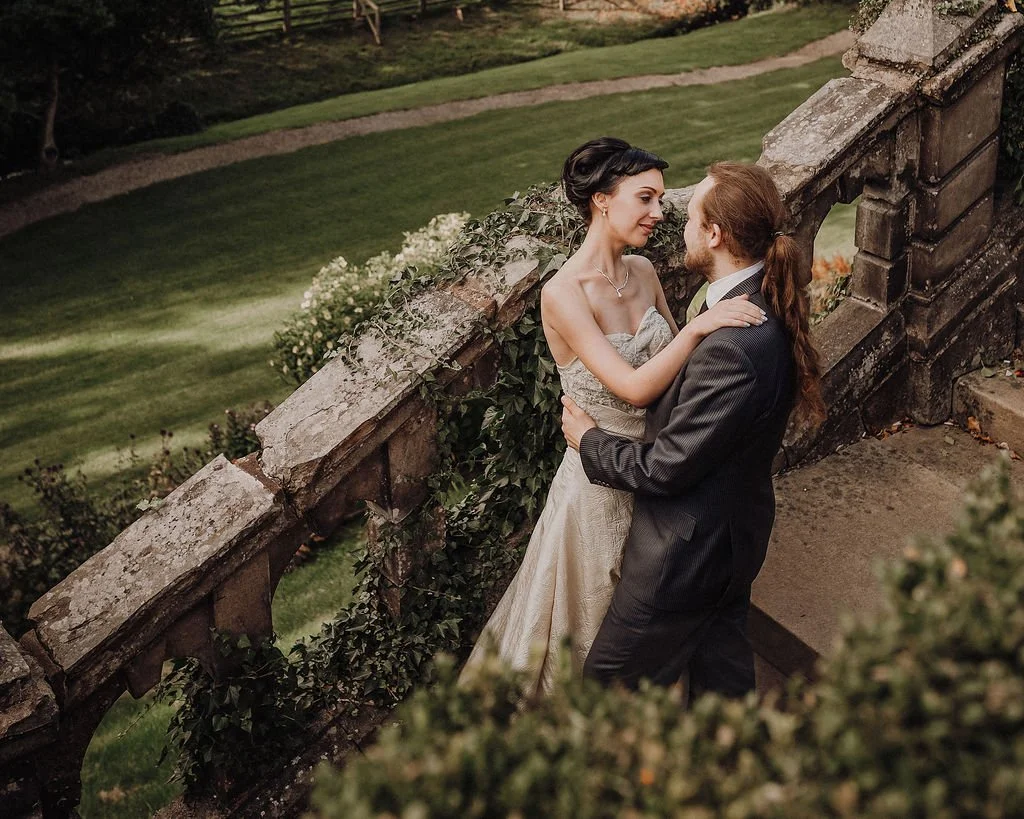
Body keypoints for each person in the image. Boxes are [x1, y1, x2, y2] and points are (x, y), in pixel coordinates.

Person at [460, 139, 766, 699]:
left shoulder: (645, 272)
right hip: (595, 487)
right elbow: (630, 385)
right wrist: (701, 325)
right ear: (602, 200)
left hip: (657, 475)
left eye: (659, 199)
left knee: (651, 626)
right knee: (589, 625)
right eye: (645, 198)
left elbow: (680, 381)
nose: (659, 212)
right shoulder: (563, 293)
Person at [561, 161, 825, 698]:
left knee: (604, 692)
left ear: (714, 234)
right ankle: (728, 772)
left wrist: (590, 441)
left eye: (688, 216)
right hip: (731, 537)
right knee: (721, 682)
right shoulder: (754, 300)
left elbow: (666, 466)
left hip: (685, 555)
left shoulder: (736, 341)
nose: (672, 222)